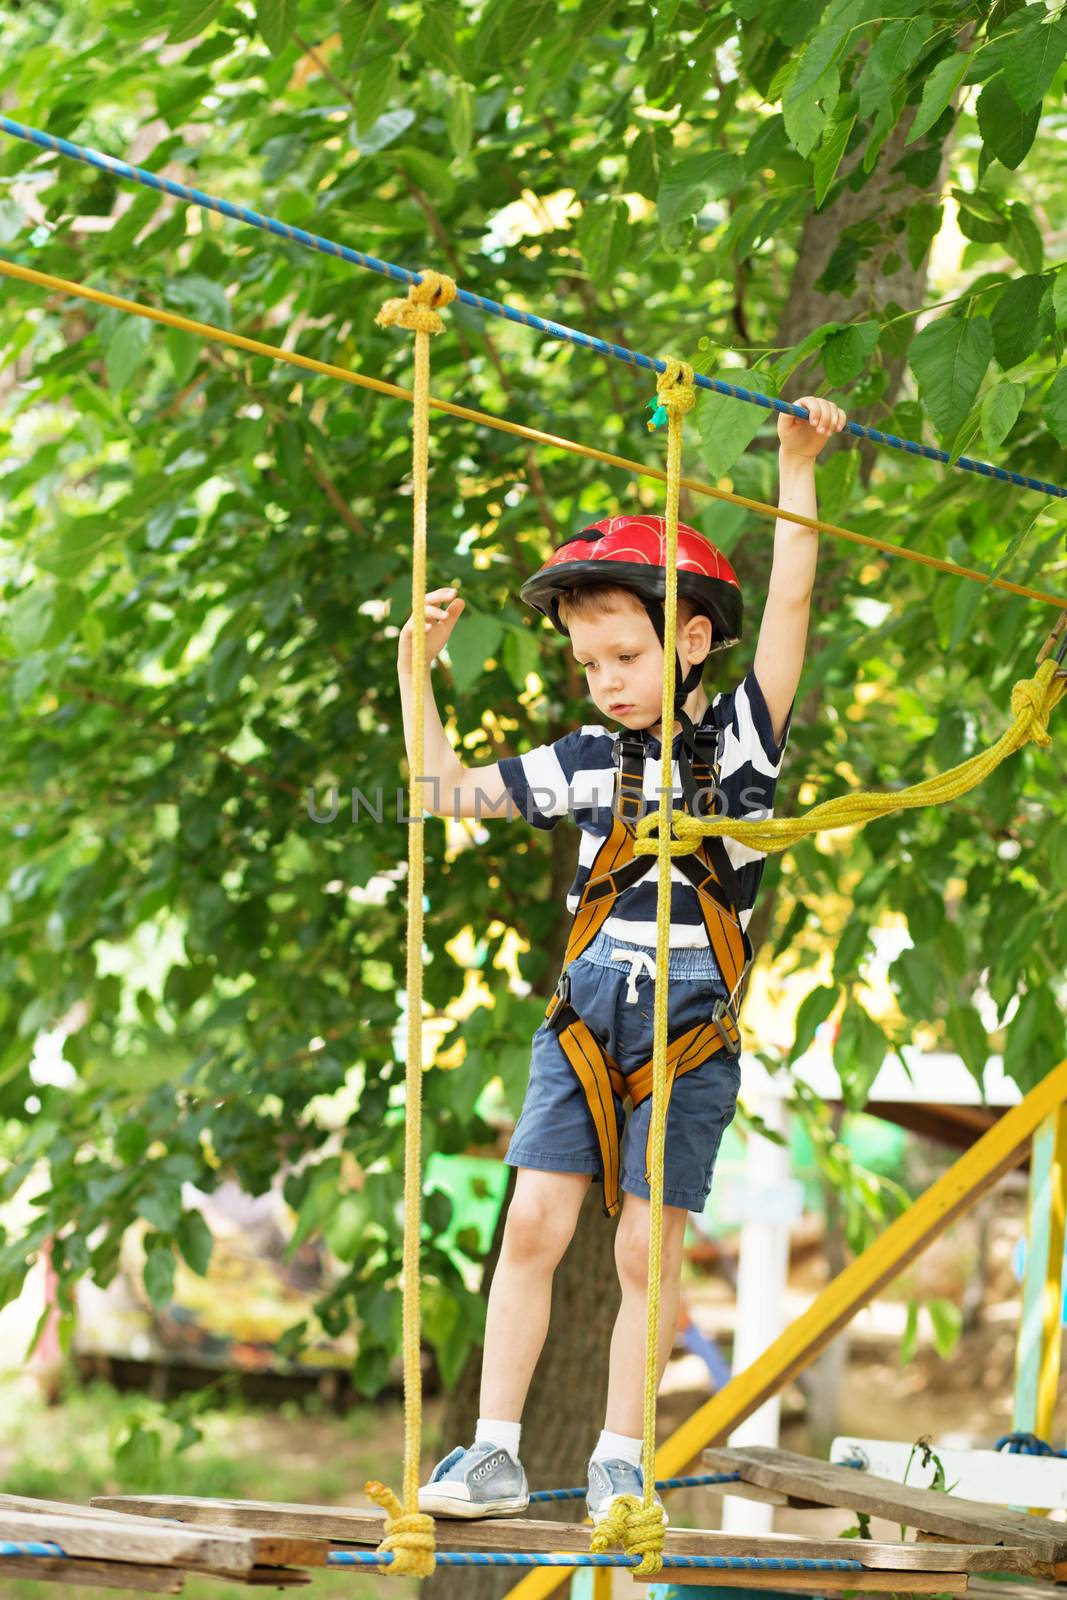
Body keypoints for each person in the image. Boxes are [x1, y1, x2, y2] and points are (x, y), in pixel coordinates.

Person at [396, 394, 847, 1524]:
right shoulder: (587, 758)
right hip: (588, 1010)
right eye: (586, 659)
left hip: (688, 1018)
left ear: (690, 638)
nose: (603, 678)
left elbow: (790, 595)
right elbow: (441, 795)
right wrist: (417, 677)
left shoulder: (740, 739)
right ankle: (492, 1450)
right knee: (534, 1227)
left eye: (624, 654)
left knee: (649, 1245)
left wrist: (795, 467)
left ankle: (616, 1455)